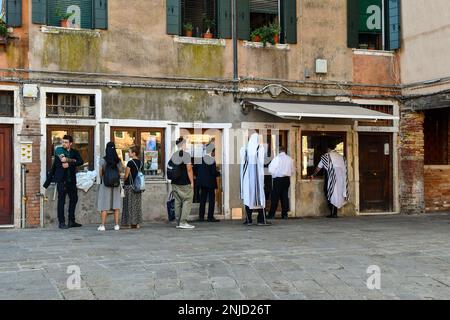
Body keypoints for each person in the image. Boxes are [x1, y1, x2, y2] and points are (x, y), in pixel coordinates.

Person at [310, 142, 349, 218]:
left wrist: (313, 175)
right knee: (338, 194)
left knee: (330, 193)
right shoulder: (341, 157)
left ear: (328, 149)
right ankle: (334, 213)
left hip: (331, 178)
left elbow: (318, 168)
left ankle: (333, 213)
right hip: (341, 179)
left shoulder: (326, 156)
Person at [240, 133, 271, 226]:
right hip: (257, 177)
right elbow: (261, 162)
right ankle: (261, 219)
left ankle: (248, 219)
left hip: (246, 178)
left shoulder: (243, 149)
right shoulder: (260, 149)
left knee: (248, 197)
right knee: (259, 196)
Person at [53, 135, 84, 229]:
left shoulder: (75, 152)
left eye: (66, 142)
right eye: (63, 142)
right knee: (61, 201)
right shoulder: (59, 150)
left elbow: (80, 161)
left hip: (72, 180)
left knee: (74, 199)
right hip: (61, 180)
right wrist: (71, 161)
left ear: (71, 143)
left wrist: (70, 162)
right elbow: (62, 161)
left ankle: (71, 221)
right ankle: (61, 222)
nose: (64, 144)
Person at [169, 137, 195, 229]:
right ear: (183, 144)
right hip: (184, 183)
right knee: (187, 201)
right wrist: (192, 182)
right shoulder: (186, 155)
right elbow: (189, 169)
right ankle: (183, 222)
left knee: (177, 202)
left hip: (175, 182)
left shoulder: (174, 155)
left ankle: (178, 221)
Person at [97, 142, 123, 231]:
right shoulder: (118, 160)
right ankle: (116, 225)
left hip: (105, 184)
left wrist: (104, 178)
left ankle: (103, 225)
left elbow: (100, 173)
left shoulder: (103, 160)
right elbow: (120, 172)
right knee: (116, 204)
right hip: (116, 185)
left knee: (104, 205)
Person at [194, 146, 220, 222]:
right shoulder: (211, 160)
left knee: (202, 200)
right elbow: (213, 172)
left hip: (202, 182)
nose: (215, 154)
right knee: (211, 200)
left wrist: (199, 176)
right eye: (214, 152)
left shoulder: (200, 159)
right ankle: (210, 217)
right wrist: (219, 173)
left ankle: (201, 217)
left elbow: (195, 169)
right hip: (210, 183)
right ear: (211, 152)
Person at [267, 145, 294, 220]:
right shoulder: (290, 159)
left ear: (279, 151)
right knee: (284, 197)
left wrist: (275, 173)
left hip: (278, 179)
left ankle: (271, 215)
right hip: (286, 180)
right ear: (285, 150)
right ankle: (284, 215)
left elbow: (271, 169)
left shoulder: (277, 158)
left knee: (275, 197)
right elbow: (292, 171)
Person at [122, 146, 143, 229]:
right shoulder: (141, 163)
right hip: (138, 186)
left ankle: (129, 223)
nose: (129, 153)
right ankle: (136, 223)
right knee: (137, 205)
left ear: (134, 153)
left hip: (130, 186)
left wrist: (123, 180)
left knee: (129, 205)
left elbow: (126, 175)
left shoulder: (130, 163)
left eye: (130, 152)